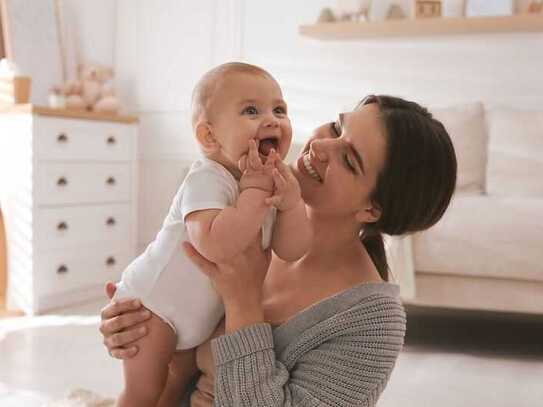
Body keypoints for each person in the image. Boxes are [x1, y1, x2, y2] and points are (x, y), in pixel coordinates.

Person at [100, 94, 457, 407]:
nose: (320, 147)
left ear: (372, 210)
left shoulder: (371, 323)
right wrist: (138, 324)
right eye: (336, 127)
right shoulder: (249, 212)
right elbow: (178, 341)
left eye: (349, 159)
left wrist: (243, 302)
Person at [111, 62, 312, 407]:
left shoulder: (270, 179)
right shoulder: (207, 178)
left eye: (280, 109)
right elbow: (216, 245)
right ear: (209, 136)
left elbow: (292, 249)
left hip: (195, 319)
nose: (272, 119)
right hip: (152, 307)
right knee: (144, 393)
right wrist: (254, 193)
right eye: (251, 110)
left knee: (172, 390)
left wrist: (292, 205)